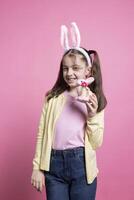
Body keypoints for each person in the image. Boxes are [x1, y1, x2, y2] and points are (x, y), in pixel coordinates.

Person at [31, 22, 107, 200]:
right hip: (54, 166)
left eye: (76, 68)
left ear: (88, 71)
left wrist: (92, 115)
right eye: (65, 68)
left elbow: (96, 143)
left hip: (82, 166)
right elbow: (42, 134)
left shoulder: (94, 99)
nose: (69, 73)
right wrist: (37, 168)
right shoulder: (52, 98)